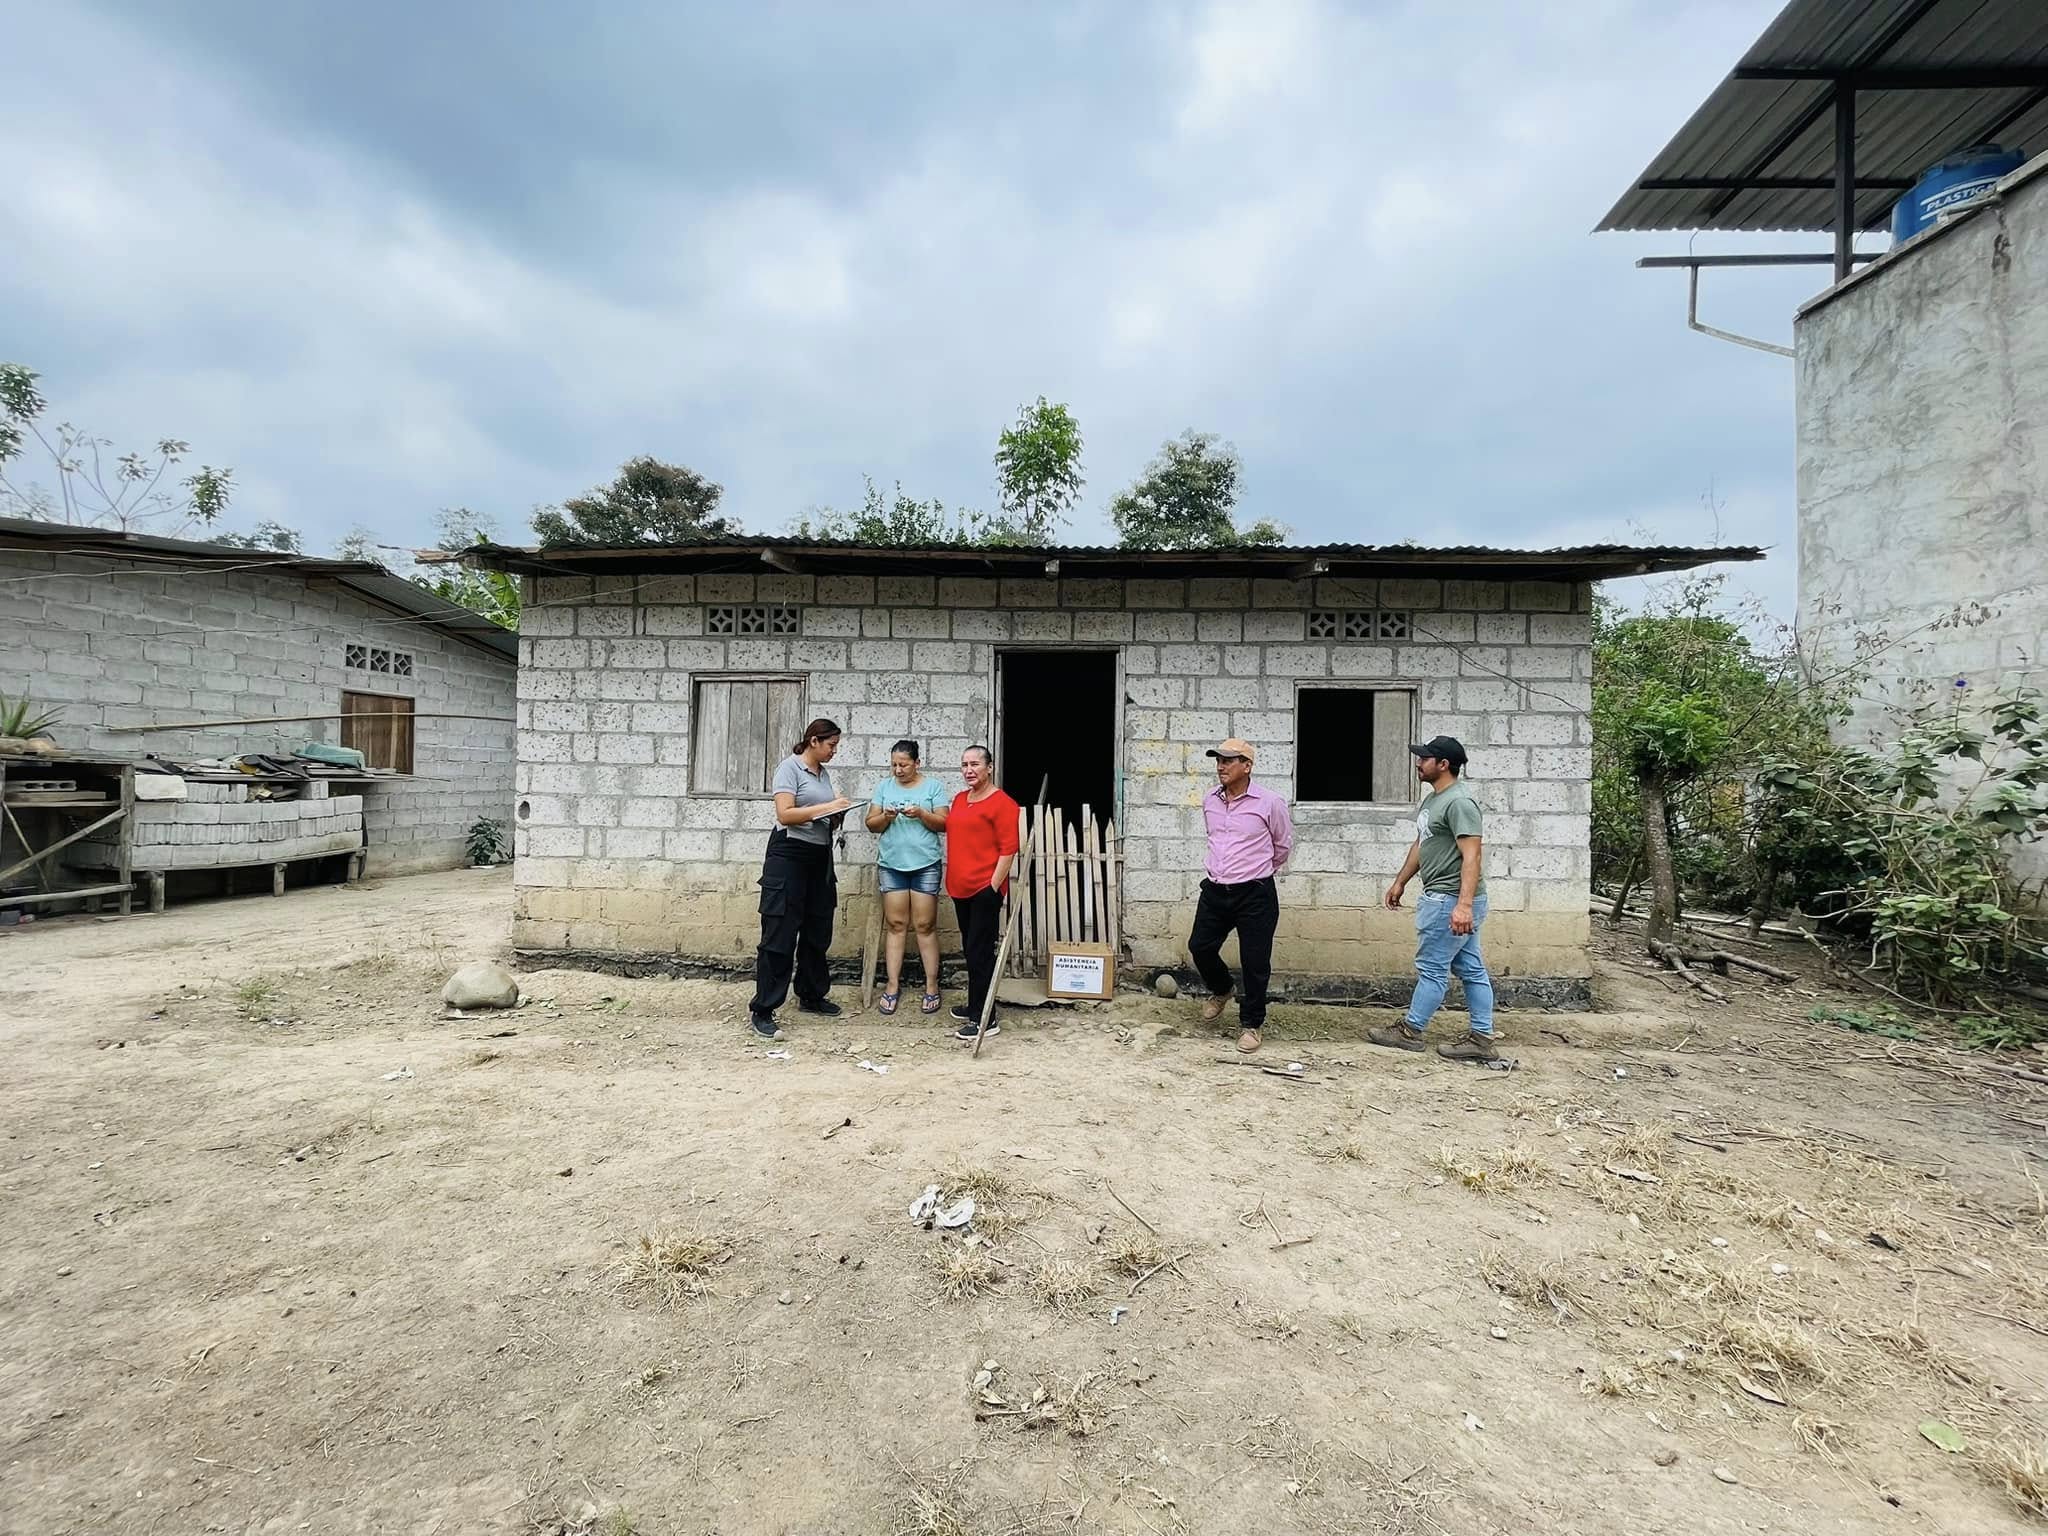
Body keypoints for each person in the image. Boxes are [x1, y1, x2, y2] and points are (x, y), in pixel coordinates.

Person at [1371, 735, 1498, 1062]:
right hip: (1447, 898)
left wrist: (1463, 905)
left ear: (1443, 764)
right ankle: (1482, 1038)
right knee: (1470, 968)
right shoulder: (1434, 800)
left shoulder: (1459, 803)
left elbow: (1472, 856)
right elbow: (1422, 843)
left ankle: (1410, 1031)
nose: (1418, 762)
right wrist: (1400, 881)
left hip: (1450, 899)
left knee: (1432, 968)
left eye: (1424, 758)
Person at [748, 718, 853, 1040]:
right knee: (780, 933)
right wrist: (828, 806)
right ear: (814, 741)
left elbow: (820, 817)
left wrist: (836, 815)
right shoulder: (789, 768)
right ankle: (764, 1009)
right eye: (831, 745)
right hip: (789, 854)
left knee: (817, 930)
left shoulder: (823, 774)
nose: (834, 751)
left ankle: (811, 994)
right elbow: (785, 813)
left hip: (818, 856)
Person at [1188, 737, 1294, 1054]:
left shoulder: (1269, 802)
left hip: (1254, 892)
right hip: (1215, 889)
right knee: (1200, 946)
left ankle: (1251, 1025)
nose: (1220, 766)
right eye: (1218, 760)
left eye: (1228, 761)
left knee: (1255, 962)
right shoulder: (1210, 800)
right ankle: (1222, 989)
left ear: (1246, 766)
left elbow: (1282, 846)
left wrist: (1257, 871)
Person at [864, 738, 949, 1018]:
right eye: (894, 765)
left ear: (917, 763)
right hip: (892, 865)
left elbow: (944, 823)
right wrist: (886, 817)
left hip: (926, 865)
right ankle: (892, 985)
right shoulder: (884, 787)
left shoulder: (933, 787)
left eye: (904, 765)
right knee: (896, 924)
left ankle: (932, 985)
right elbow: (871, 824)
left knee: (925, 925)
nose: (898, 770)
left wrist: (922, 813)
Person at [943, 744, 1019, 1044]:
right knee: (971, 949)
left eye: (975, 764)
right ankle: (976, 1004)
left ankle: (985, 1019)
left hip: (983, 890)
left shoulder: (1003, 803)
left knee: (980, 953)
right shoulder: (961, 799)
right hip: (960, 888)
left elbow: (1009, 848)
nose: (969, 770)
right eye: (964, 765)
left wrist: (992, 887)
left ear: (989, 768)